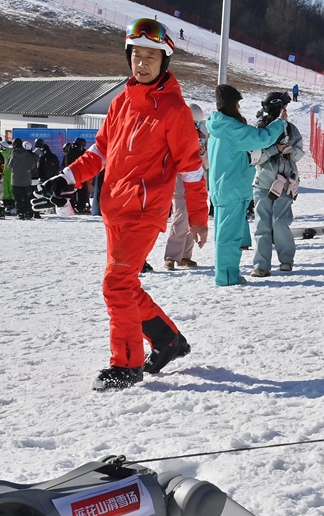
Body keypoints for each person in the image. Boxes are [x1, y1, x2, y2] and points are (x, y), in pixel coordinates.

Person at [35, 18, 209, 391]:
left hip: (145, 212)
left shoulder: (175, 111)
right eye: (137, 56)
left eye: (152, 56)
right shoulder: (121, 103)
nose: (143, 63)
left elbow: (192, 170)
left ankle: (127, 365)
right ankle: (167, 339)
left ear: (165, 62)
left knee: (115, 284)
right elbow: (99, 151)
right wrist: (66, 178)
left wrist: (198, 217)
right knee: (125, 284)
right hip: (114, 208)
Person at [206, 84, 286, 286]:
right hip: (232, 188)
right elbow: (262, 138)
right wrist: (280, 123)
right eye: (238, 103)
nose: (240, 108)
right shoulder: (231, 129)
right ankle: (226, 277)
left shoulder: (217, 126)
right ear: (232, 104)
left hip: (223, 187)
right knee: (229, 238)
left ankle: (227, 274)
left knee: (226, 235)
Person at [249, 91, 304, 277]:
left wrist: (289, 152)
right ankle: (261, 265)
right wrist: (275, 149)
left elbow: (299, 154)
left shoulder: (291, 129)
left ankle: (286, 259)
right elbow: (255, 158)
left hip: (284, 182)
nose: (284, 111)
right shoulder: (260, 131)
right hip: (263, 183)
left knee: (280, 223)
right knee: (262, 226)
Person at [163, 103, 209, 269]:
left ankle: (184, 255)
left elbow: (207, 164)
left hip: (196, 184)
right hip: (180, 184)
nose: (194, 127)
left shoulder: (202, 136)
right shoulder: (176, 135)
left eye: (197, 124)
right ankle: (171, 256)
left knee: (192, 220)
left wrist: (202, 153)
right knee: (180, 219)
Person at [7, 138, 37, 219]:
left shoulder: (13, 155)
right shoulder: (28, 155)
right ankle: (28, 212)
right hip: (26, 180)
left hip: (16, 180)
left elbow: (9, 166)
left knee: (18, 198)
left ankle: (20, 213)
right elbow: (33, 166)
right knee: (27, 198)